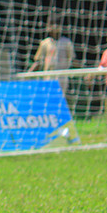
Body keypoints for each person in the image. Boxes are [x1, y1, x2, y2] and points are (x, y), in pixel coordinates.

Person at [29, 13, 79, 144]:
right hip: (48, 79)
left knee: (61, 104)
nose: (53, 28)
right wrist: (28, 74)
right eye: (50, 25)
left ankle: (64, 131)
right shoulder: (45, 43)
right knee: (49, 105)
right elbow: (38, 61)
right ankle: (52, 132)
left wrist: (86, 72)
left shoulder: (66, 42)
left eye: (56, 25)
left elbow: (73, 60)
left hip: (62, 79)